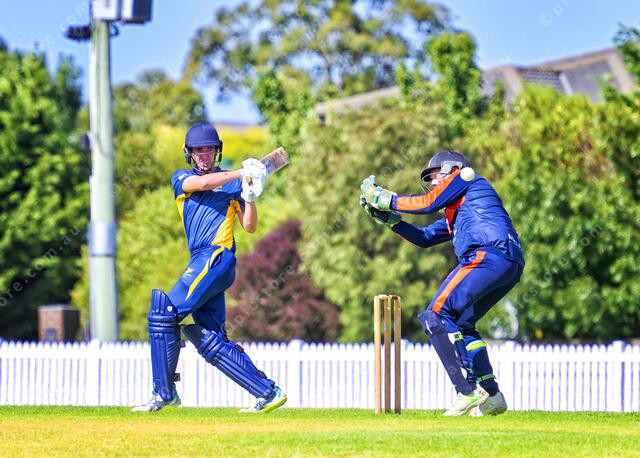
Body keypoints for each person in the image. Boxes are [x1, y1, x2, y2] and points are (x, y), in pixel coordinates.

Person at [132, 123, 287, 413]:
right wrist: (242, 172)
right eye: (198, 150)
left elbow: (250, 226)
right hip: (203, 260)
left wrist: (249, 197)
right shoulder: (182, 178)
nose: (204, 155)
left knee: (164, 314)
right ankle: (268, 392)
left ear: (218, 152)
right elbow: (203, 185)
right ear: (189, 153)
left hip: (216, 256)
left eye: (209, 150)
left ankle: (164, 393)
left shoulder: (234, 186)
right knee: (211, 339)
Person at [360, 150, 524, 416]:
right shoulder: (459, 209)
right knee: (463, 324)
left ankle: (466, 391)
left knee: (435, 315)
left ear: (452, 169)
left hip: (488, 253)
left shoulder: (467, 177)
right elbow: (425, 237)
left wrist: (385, 198)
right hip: (509, 262)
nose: (434, 181)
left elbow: (427, 203)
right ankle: (492, 394)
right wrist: (393, 222)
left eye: (435, 175)